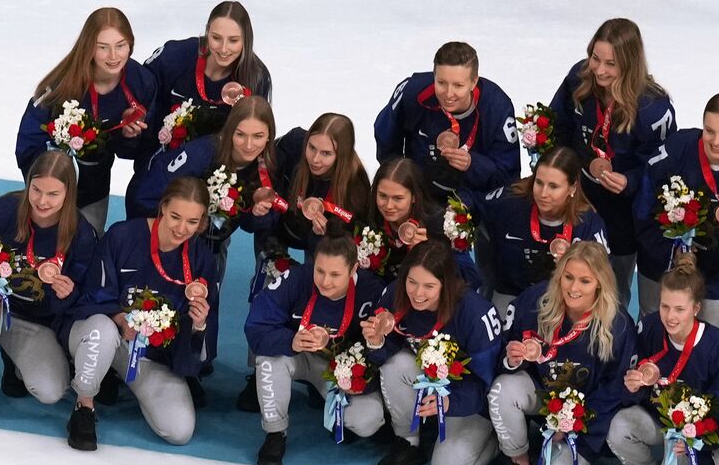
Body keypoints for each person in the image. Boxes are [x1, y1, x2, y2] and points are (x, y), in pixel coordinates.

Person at [0, 150, 100, 432]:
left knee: (51, 391)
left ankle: (13, 358)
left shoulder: (81, 234)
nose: (42, 201)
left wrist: (68, 295)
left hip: (32, 323)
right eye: (36, 189)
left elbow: (84, 303)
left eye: (53, 194)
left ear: (69, 194)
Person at [134, 95, 280, 398]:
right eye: (240, 134)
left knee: (204, 298)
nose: (249, 144)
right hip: (173, 236)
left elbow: (249, 223)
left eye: (258, 136)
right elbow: (149, 191)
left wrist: (257, 214)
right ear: (229, 130)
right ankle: (145, 357)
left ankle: (193, 365)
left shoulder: (265, 168)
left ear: (270, 136)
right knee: (169, 294)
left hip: (212, 244)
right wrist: (165, 231)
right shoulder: (202, 152)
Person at [72, 176, 221, 446]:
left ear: (202, 222)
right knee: (102, 330)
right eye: (175, 216)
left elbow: (203, 339)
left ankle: (116, 376)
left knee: (179, 430)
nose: (181, 229)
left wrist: (199, 325)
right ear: (163, 207)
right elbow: (91, 294)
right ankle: (84, 405)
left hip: (150, 356)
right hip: (110, 336)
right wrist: (119, 319)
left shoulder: (202, 261)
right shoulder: (122, 236)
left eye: (192, 221)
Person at [486, 241, 634, 465]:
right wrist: (513, 359)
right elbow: (502, 353)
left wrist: (573, 423)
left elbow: (615, 390)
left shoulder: (618, 324)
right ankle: (520, 463)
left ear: (600, 283)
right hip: (543, 397)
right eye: (568, 277)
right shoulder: (535, 300)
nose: (573, 288)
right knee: (503, 389)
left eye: (585, 281)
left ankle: (572, 456)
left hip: (584, 417)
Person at [550, 18, 676, 309]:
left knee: (614, 295)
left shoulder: (652, 107)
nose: (599, 70)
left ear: (630, 64)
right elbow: (559, 130)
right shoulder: (579, 78)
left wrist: (630, 180)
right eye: (595, 58)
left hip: (626, 213)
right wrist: (577, 169)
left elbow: (665, 168)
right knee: (573, 285)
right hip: (582, 200)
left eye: (611, 64)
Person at [608, 256, 719, 465]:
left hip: (696, 441)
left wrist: (697, 438)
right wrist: (633, 387)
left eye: (680, 309)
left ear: (696, 308)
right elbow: (628, 390)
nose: (670, 316)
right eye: (665, 306)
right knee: (619, 425)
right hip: (660, 423)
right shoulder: (649, 328)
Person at [362, 240, 505, 465]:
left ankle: (496, 441)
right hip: (433, 389)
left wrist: (451, 402)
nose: (417, 294)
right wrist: (376, 343)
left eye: (429, 286)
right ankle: (408, 440)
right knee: (396, 364)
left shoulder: (475, 314)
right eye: (412, 282)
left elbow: (488, 384)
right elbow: (384, 355)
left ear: (446, 284)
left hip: (471, 402)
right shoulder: (396, 294)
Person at [244, 235, 386, 465]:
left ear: (353, 269)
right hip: (297, 356)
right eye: (320, 271)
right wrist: (290, 341)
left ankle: (338, 414)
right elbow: (257, 325)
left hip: (339, 369)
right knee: (269, 357)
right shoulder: (296, 279)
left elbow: (386, 350)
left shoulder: (372, 291)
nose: (325, 281)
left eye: (335, 274)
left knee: (366, 421)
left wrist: (363, 381)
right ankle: (275, 433)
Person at [126, 0, 273, 216]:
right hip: (161, 160)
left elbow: (255, 134)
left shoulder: (256, 77)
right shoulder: (175, 56)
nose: (224, 49)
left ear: (246, 40)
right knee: (142, 213)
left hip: (212, 171)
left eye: (233, 40)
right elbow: (141, 96)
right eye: (216, 38)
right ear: (206, 32)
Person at [634, 92, 719, 331]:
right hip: (661, 264)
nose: (716, 141)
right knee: (651, 332)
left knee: (711, 338)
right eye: (709, 131)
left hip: (717, 274)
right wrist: (667, 251)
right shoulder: (676, 148)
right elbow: (643, 206)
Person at [15, 7, 156, 231]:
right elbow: (28, 142)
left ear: (131, 44)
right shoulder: (60, 86)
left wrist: (128, 136)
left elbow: (139, 152)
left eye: (120, 45)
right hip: (51, 188)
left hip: (94, 191)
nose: (113, 56)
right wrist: (46, 187)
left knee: (88, 242)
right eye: (103, 47)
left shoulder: (142, 82)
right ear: (88, 46)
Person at [373, 41, 519, 203]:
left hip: (474, 201)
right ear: (434, 76)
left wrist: (473, 164)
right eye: (441, 83)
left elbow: (508, 176)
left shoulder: (497, 107)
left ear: (474, 82)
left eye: (458, 85)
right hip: (419, 196)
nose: (449, 94)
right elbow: (385, 139)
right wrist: (402, 183)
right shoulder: (411, 92)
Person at [470, 147, 608, 316]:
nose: (543, 194)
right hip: (511, 294)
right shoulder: (508, 203)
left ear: (572, 188)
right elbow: (473, 207)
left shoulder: (588, 225)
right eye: (539, 183)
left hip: (563, 300)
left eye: (553, 186)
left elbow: (600, 279)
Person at [264, 112, 370, 277]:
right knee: (268, 278)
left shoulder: (356, 187)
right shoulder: (293, 143)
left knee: (314, 282)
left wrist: (323, 236)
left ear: (342, 155)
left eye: (326, 153)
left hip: (319, 239)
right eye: (312, 147)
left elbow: (343, 247)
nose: (315, 159)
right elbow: (264, 165)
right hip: (281, 227)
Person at [363, 157, 483, 291]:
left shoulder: (442, 224)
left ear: (414, 196)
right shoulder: (369, 222)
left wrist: (430, 253)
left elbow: (470, 278)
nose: (388, 205)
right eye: (382, 196)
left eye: (398, 198)